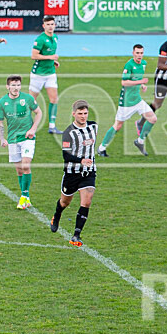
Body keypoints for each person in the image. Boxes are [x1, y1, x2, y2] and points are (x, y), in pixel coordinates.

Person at [51, 100, 98, 247]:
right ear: (73, 114)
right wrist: (81, 160)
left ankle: (76, 235)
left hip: (89, 172)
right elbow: (66, 155)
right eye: (80, 114)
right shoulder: (68, 133)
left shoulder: (94, 126)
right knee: (65, 202)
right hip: (72, 174)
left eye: (85, 113)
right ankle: (57, 215)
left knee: (87, 201)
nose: (83, 116)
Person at [97, 44, 157, 157]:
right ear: (133, 53)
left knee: (153, 118)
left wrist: (142, 85)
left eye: (141, 53)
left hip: (137, 100)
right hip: (126, 102)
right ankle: (101, 148)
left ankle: (140, 141)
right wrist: (140, 82)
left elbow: (138, 78)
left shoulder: (143, 64)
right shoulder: (129, 65)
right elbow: (124, 82)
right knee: (118, 125)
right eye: (137, 53)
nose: (139, 55)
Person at [0, 75, 43, 210]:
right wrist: (2, 138)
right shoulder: (2, 102)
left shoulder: (27, 99)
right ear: (8, 87)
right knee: (19, 170)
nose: (16, 88)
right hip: (12, 139)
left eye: (18, 85)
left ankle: (24, 196)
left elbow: (39, 113)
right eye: (13, 85)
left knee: (26, 165)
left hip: (27, 138)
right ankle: (26, 198)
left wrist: (33, 129)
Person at [29, 15, 62, 134]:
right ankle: (23, 123)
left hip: (50, 74)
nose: (50, 27)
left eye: (52, 24)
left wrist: (53, 61)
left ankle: (52, 126)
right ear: (44, 26)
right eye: (48, 24)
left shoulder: (56, 37)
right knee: (31, 101)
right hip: (38, 74)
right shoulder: (40, 39)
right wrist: (50, 57)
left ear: (55, 25)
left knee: (54, 99)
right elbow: (34, 55)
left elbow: (50, 55)